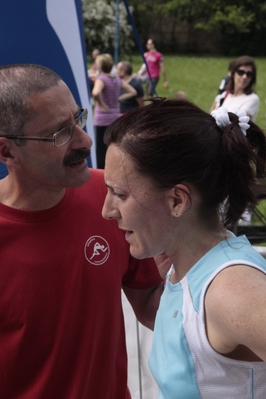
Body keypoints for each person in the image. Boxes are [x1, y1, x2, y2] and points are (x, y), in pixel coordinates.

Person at [0, 63, 163, 399]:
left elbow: (149, 299)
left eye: (77, 119)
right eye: (59, 133)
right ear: (6, 151)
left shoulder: (112, 195)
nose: (85, 140)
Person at [102, 98, 266, 398]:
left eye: (119, 194)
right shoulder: (187, 270)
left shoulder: (231, 291)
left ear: (177, 200)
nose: (107, 211)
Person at [92, 53, 137, 169]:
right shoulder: (116, 80)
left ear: (100, 67)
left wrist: (101, 104)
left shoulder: (101, 79)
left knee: (101, 151)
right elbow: (133, 91)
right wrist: (119, 98)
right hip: (115, 118)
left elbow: (95, 93)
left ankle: (101, 175)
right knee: (112, 147)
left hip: (102, 119)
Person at [211, 55, 260, 121]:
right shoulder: (225, 95)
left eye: (249, 74)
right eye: (241, 72)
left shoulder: (252, 99)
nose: (244, 77)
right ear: (233, 73)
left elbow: (236, 122)